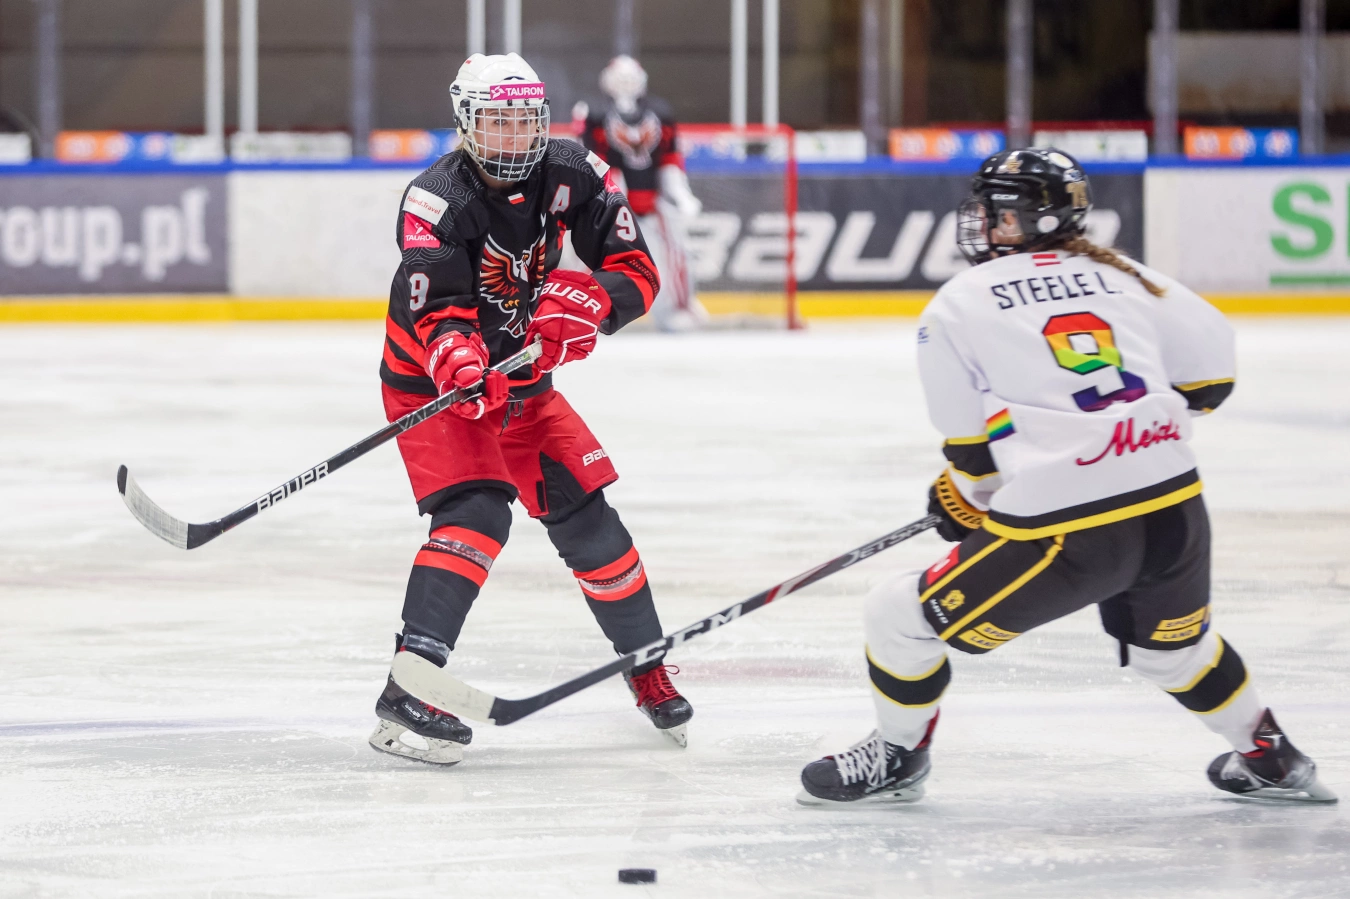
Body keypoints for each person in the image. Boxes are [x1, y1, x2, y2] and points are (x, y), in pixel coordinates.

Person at [798, 148, 1336, 806]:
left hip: (1070, 530)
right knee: (1174, 652)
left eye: (995, 213)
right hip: (1174, 505)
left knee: (896, 615)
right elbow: (1212, 378)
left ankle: (897, 757)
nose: (982, 224)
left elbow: (972, 457)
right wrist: (1124, 430)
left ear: (1026, 219)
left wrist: (962, 498)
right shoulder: (1127, 273)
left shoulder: (958, 302)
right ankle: (1271, 756)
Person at [369, 52, 693, 766]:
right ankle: (408, 685)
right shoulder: (434, 199)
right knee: (478, 513)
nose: (514, 136)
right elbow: (437, 311)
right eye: (498, 122)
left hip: (521, 375)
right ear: (466, 123)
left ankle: (645, 663)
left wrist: (590, 302)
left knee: (589, 519)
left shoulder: (575, 170)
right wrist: (459, 360)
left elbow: (637, 270)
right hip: (433, 384)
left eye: (525, 121)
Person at [575, 55, 706, 332]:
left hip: (653, 200)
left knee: (675, 253)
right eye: (619, 79)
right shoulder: (594, 112)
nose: (625, 84)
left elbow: (669, 157)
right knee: (593, 255)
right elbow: (592, 160)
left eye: (630, 79)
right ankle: (581, 310)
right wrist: (609, 196)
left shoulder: (660, 111)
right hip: (610, 202)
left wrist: (679, 192)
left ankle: (678, 307)